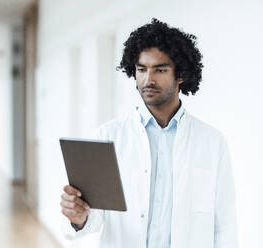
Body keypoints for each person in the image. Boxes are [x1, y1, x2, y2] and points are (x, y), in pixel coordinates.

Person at [60, 18, 238, 248]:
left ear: (181, 75)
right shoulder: (108, 136)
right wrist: (78, 218)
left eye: (160, 70)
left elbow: (224, 224)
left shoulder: (212, 142)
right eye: (141, 69)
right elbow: (94, 217)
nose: (148, 79)